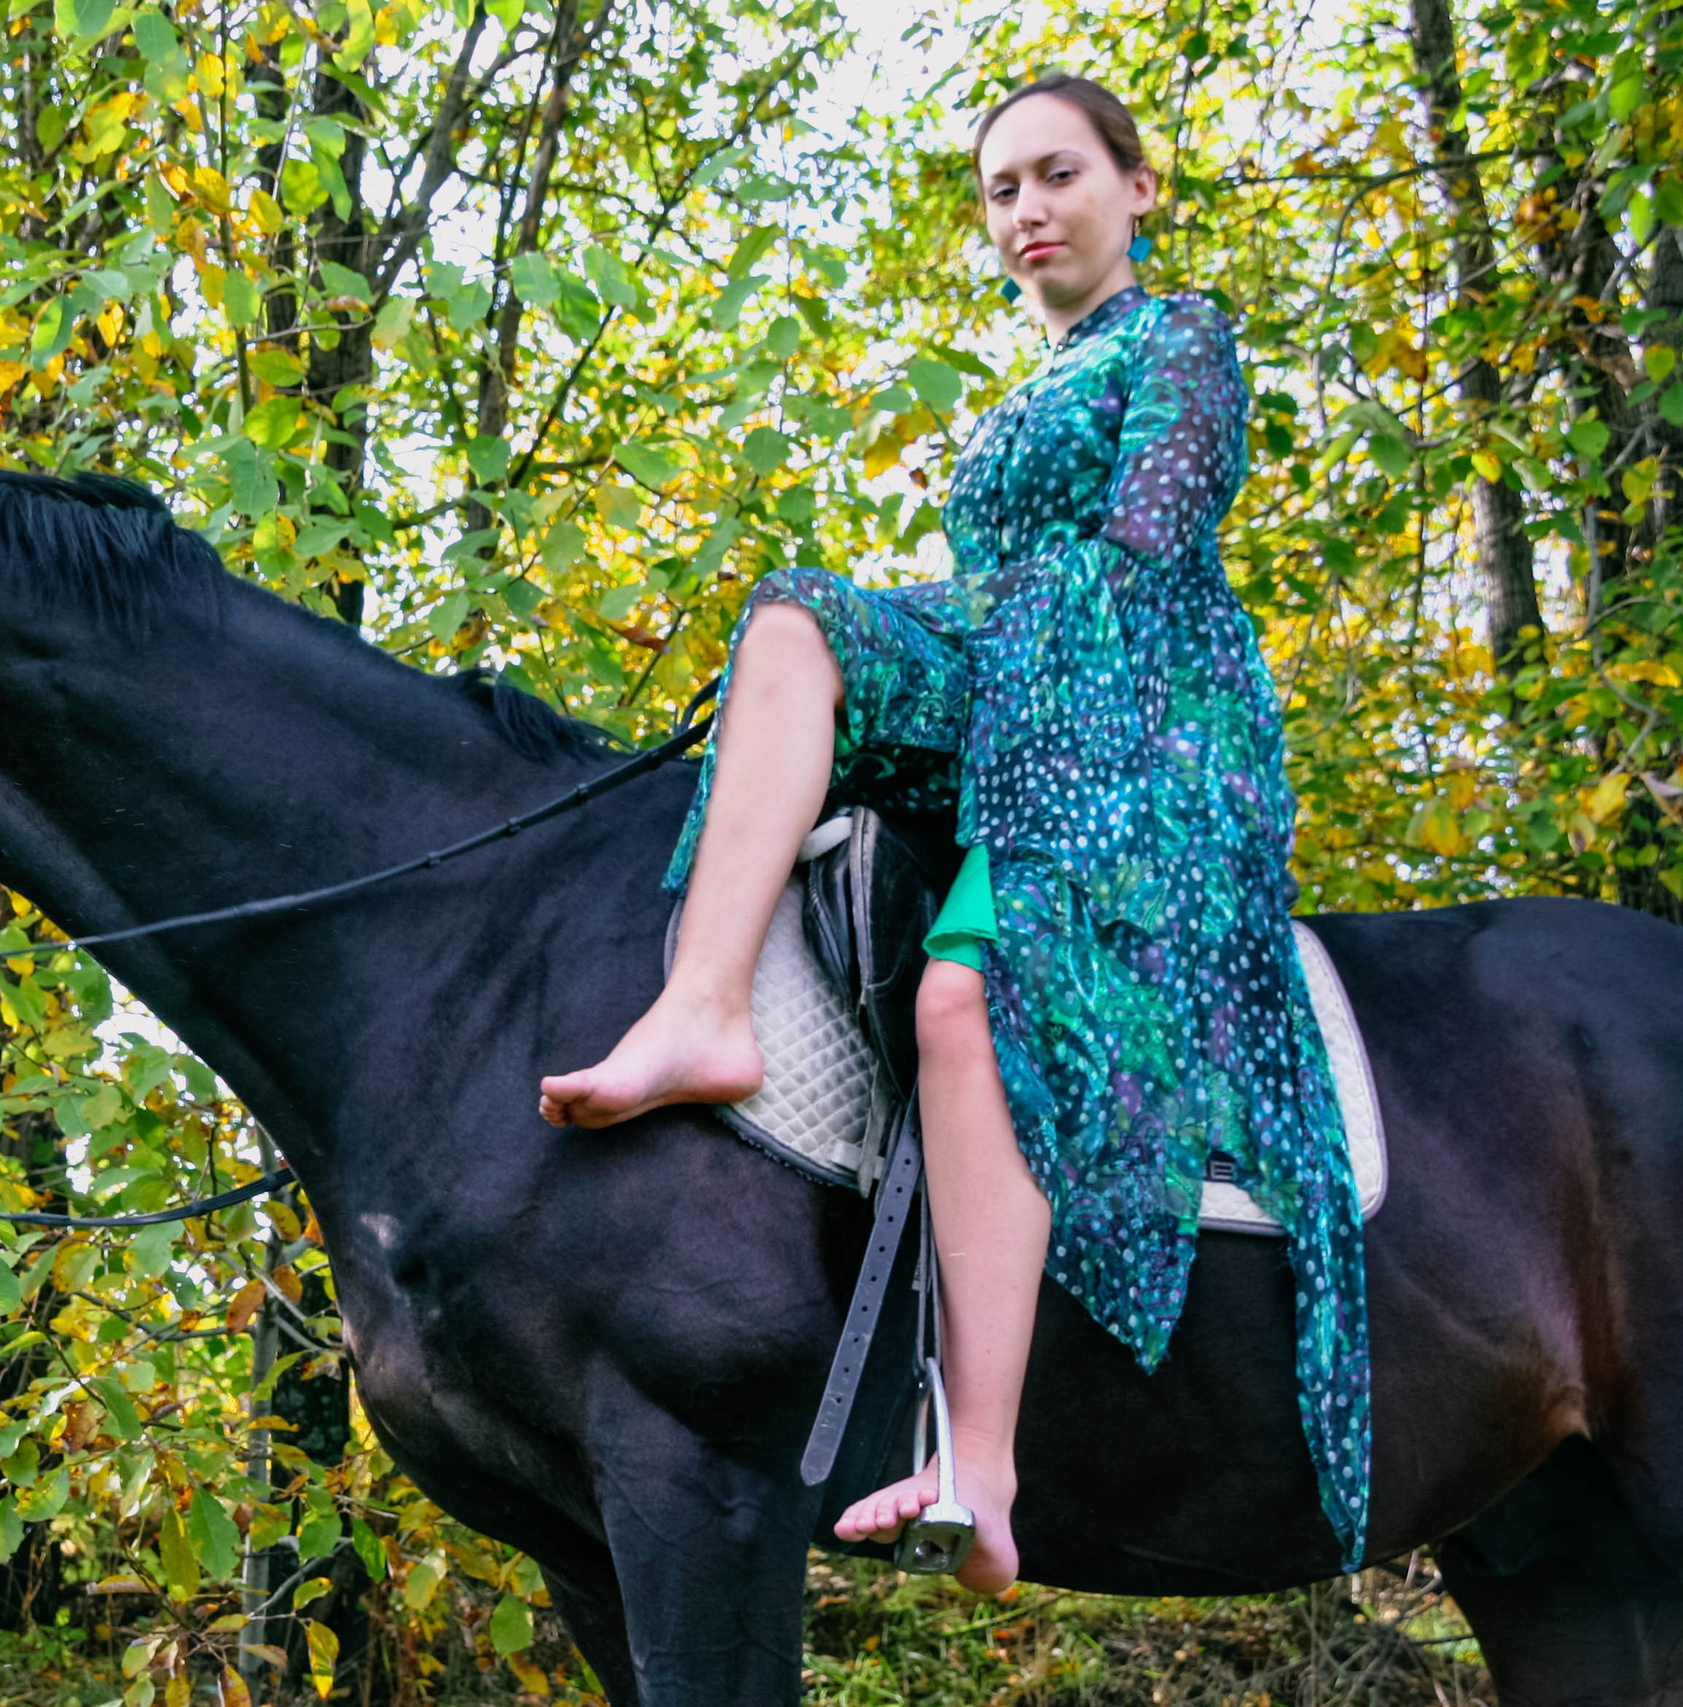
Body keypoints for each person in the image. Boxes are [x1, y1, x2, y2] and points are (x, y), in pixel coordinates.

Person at [538, 72, 1366, 1592]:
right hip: (1023, 705)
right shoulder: (1016, 400)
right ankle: (705, 1009)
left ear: (1137, 187)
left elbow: (1142, 558)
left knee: (959, 996)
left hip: (1146, 740)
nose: (1028, 211)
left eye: (1057, 176)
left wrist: (922, 632)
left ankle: (977, 1469)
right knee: (790, 624)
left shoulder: (1182, 340)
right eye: (1002, 192)